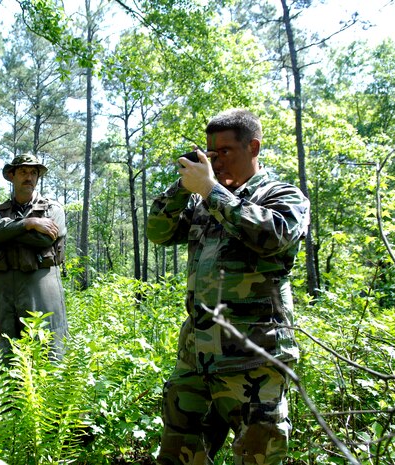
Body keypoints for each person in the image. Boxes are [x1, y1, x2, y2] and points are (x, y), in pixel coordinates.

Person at [147, 109, 310, 465]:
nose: (216, 160)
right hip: (197, 355)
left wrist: (210, 190)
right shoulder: (203, 201)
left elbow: (273, 236)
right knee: (179, 455)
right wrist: (184, 183)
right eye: (210, 153)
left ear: (252, 147)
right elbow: (157, 232)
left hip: (253, 358)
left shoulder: (282, 195)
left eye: (225, 152)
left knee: (257, 457)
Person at [0, 154, 68, 357]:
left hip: (41, 287)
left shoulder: (52, 209)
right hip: (3, 293)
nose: (29, 177)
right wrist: (29, 224)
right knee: (3, 349)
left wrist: (6, 234)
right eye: (23, 172)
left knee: (47, 348)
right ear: (12, 176)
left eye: (33, 173)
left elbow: (45, 239)